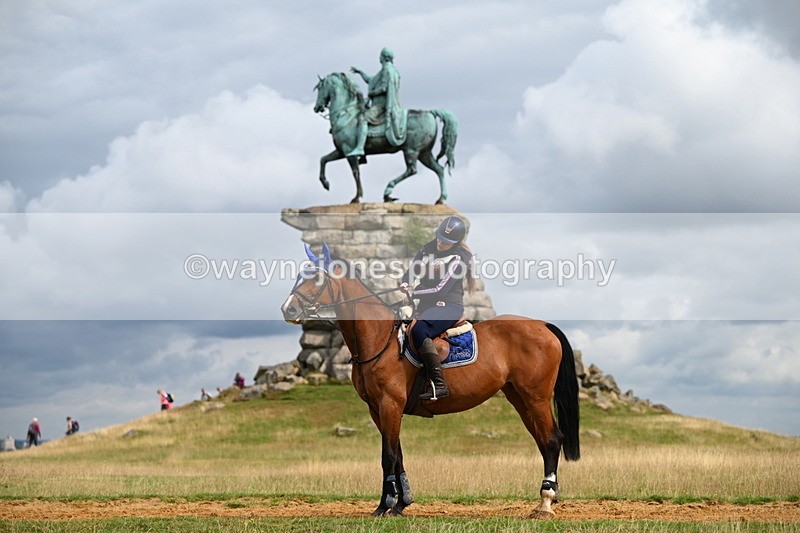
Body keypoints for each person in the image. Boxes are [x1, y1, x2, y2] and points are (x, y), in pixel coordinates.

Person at [400, 216, 474, 401]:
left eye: (446, 241)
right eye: (440, 238)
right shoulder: (427, 249)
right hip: (426, 304)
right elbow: (412, 272)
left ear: (456, 242)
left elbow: (440, 290)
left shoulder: (459, 259)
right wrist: (405, 282)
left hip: (449, 306)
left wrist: (414, 294)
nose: (441, 243)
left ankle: (440, 385)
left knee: (419, 331)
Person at [349, 47, 407, 156]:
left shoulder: (386, 70)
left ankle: (360, 148)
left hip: (381, 106)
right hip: (383, 104)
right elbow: (371, 80)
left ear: (384, 57)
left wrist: (372, 93)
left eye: (380, 56)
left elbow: (383, 88)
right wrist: (360, 72)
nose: (379, 57)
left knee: (363, 118)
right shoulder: (392, 70)